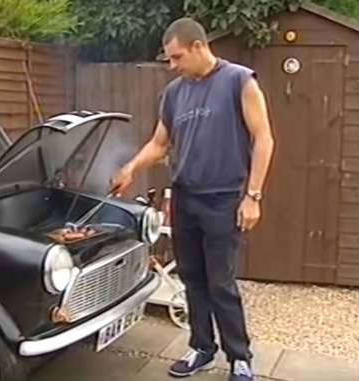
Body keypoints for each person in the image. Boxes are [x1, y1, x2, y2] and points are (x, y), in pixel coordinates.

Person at [110, 17, 275, 381]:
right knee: (192, 278)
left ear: (199, 47)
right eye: (169, 60)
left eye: (177, 57)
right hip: (186, 198)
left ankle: (239, 358)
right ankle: (201, 347)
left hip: (224, 199)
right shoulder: (173, 93)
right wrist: (131, 167)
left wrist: (253, 196)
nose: (173, 66)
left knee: (221, 282)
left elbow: (264, 138)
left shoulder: (238, 80)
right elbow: (159, 144)